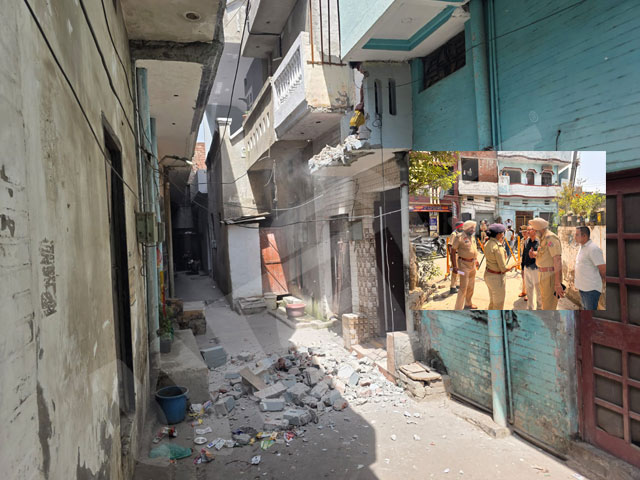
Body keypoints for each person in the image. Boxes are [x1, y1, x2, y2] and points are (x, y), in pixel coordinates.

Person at [528, 217, 564, 310]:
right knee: (545, 302)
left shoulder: (550, 238)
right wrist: (534, 254)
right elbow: (546, 255)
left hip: (550, 276)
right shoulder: (543, 238)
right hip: (543, 274)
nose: (533, 232)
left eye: (534, 230)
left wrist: (557, 283)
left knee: (549, 306)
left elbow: (557, 259)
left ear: (539, 229)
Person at [484, 223, 517, 309]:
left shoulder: (488, 243)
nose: (503, 235)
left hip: (488, 274)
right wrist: (514, 264)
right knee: (498, 305)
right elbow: (504, 268)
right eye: (502, 233)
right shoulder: (498, 247)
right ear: (498, 234)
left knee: (492, 302)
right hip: (496, 278)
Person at [574, 226, 606, 309]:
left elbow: (603, 269)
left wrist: (602, 282)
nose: (575, 237)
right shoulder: (582, 247)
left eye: (577, 235)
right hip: (583, 288)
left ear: (584, 236)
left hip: (591, 290)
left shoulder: (593, 249)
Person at [450, 220, 479, 310]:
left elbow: (474, 249)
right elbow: (452, 252)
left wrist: (476, 260)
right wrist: (455, 267)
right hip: (463, 266)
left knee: (471, 286)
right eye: (471, 228)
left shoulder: (472, 237)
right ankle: (458, 308)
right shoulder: (459, 237)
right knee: (463, 288)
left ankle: (468, 304)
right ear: (466, 228)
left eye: (473, 228)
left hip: (472, 265)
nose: (473, 230)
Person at [521, 226, 542, 309]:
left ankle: (539, 308)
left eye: (529, 230)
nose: (527, 232)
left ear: (535, 231)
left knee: (538, 290)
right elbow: (524, 255)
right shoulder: (526, 241)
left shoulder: (540, 242)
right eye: (527, 230)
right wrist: (522, 268)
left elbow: (543, 255)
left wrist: (535, 254)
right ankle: (530, 308)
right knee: (529, 290)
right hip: (527, 268)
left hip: (536, 269)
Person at [447, 221, 464, 294]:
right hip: (455, 255)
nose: (463, 228)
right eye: (462, 227)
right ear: (458, 227)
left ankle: (456, 284)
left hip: (460, 254)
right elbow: (449, 245)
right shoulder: (454, 234)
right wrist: (452, 256)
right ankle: (452, 287)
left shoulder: (461, 234)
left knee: (459, 270)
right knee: (455, 270)